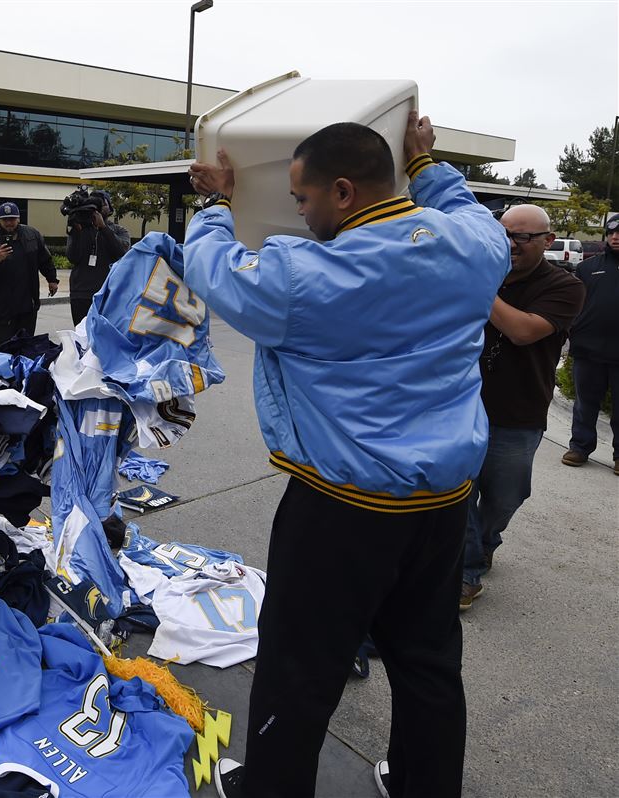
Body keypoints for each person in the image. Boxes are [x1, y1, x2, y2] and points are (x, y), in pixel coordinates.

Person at [184, 113, 510, 798]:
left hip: (343, 509)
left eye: (301, 199)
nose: (298, 212)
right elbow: (457, 205)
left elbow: (211, 270)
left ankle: (274, 789)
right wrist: (424, 161)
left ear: (341, 191)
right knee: (427, 659)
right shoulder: (479, 248)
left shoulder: (302, 277)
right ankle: (425, 784)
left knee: (300, 665)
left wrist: (216, 203)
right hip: (446, 503)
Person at [461, 205, 584, 610]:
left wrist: (478, 288)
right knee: (459, 493)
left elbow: (521, 330)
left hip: (518, 413)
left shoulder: (565, 286)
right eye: (503, 235)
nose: (510, 244)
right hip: (461, 407)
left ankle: (485, 542)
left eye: (522, 237)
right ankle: (465, 572)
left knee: (504, 498)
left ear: (548, 242)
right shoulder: (485, 273)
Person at [562, 215, 619, 475]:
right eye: (612, 233)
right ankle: (580, 447)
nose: (616, 237)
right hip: (588, 350)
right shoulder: (588, 267)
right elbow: (573, 304)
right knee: (585, 403)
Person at [0, 201, 58, 349]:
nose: (9, 223)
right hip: (1, 306)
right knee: (2, 347)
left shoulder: (32, 235)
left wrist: (52, 279)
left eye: (12, 219)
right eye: (5, 219)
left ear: (18, 219)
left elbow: (45, 259)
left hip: (27, 303)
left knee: (25, 345)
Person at [64, 189, 129, 325]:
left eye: (102, 203)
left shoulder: (119, 230)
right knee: (82, 336)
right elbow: (73, 257)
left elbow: (121, 254)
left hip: (108, 292)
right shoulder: (80, 227)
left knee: (105, 336)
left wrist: (103, 228)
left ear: (110, 208)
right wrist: (77, 231)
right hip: (81, 292)